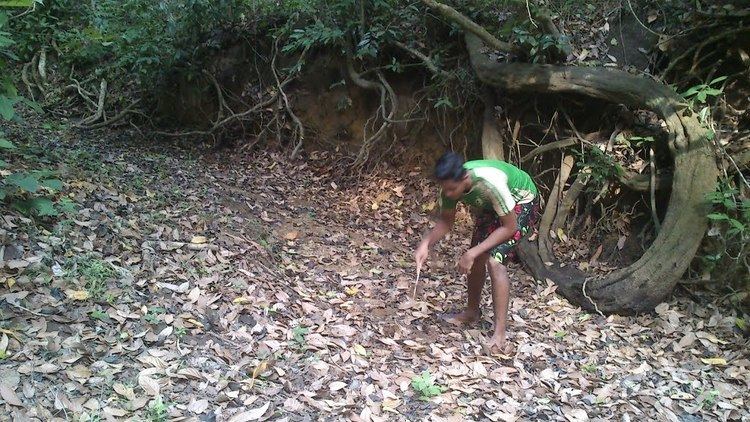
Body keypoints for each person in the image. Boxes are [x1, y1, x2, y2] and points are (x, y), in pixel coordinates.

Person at [414, 152, 540, 353]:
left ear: (464, 179)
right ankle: (472, 312)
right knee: (477, 256)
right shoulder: (449, 187)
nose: (447, 194)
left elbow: (509, 227)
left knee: (494, 261)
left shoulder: (490, 182)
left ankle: (499, 336)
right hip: (493, 205)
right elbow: (446, 222)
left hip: (521, 199)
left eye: (451, 190)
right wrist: (425, 244)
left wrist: (473, 252)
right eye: (444, 189)